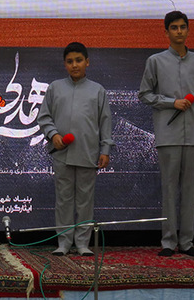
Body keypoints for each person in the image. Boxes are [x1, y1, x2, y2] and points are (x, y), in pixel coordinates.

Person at [138, 11, 194, 257]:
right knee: (169, 189)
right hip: (168, 134)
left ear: (188, 30)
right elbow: (144, 94)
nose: (179, 31)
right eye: (174, 28)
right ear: (166, 32)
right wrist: (172, 103)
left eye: (183, 27)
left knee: (190, 190)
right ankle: (168, 242)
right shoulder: (155, 61)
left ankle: (187, 242)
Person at [37, 42, 114, 256]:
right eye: (70, 61)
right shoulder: (55, 88)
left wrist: (105, 149)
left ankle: (82, 244)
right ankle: (63, 243)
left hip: (88, 153)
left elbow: (105, 122)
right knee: (63, 200)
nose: (74, 65)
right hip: (62, 154)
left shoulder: (97, 90)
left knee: (85, 200)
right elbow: (44, 117)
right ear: (65, 64)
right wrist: (54, 135)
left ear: (87, 62)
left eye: (79, 60)